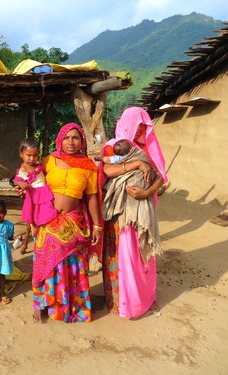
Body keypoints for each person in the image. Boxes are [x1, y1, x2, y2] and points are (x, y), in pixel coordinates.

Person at [24, 123, 102, 323]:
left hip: (74, 223)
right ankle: (41, 305)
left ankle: (69, 306)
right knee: (45, 265)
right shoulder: (49, 161)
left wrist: (96, 226)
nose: (70, 142)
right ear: (59, 139)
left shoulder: (88, 166)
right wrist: (18, 184)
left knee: (71, 266)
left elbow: (92, 197)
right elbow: (31, 178)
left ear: (82, 141)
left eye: (75, 138)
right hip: (48, 220)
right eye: (66, 137)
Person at [100, 106, 168, 319]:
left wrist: (146, 191)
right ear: (126, 124)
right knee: (120, 256)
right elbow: (108, 170)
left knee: (142, 255)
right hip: (120, 213)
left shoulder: (149, 147)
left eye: (143, 127)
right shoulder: (115, 146)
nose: (139, 131)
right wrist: (137, 163)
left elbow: (161, 177)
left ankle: (145, 298)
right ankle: (118, 300)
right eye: (137, 126)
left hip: (143, 210)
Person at [13, 138, 57, 237]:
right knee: (34, 212)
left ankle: (44, 230)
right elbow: (16, 180)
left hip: (44, 191)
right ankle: (34, 231)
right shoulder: (23, 168)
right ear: (21, 154)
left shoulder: (38, 165)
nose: (32, 158)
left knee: (47, 210)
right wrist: (20, 184)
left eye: (35, 155)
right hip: (34, 194)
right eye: (28, 155)